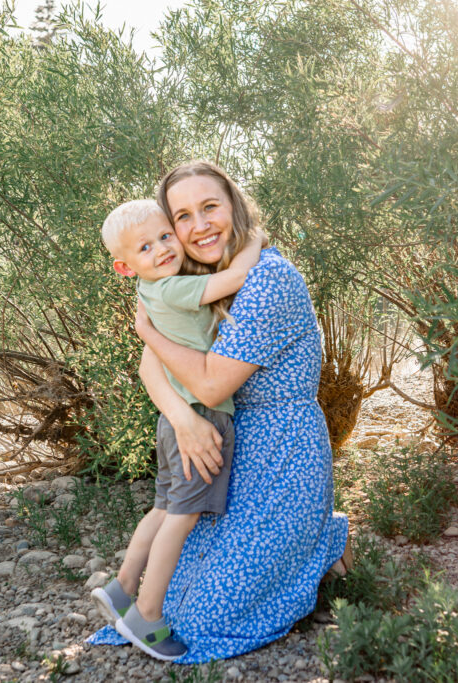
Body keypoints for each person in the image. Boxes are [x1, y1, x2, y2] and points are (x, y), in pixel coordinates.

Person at [88, 161, 350, 663]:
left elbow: (208, 385)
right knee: (182, 597)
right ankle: (314, 542)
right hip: (223, 440)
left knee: (211, 616)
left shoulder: (267, 279)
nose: (199, 225)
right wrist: (183, 421)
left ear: (234, 206)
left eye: (210, 207)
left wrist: (148, 333)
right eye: (183, 216)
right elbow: (152, 372)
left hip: (283, 447)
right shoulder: (190, 278)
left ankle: (324, 536)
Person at [92, 199, 264, 661]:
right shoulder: (170, 290)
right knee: (183, 517)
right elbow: (233, 279)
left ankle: (124, 584)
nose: (163, 249)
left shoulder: (152, 292)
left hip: (173, 419)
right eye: (146, 247)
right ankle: (148, 612)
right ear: (125, 267)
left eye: (165, 236)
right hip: (199, 417)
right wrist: (256, 244)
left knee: (165, 506)